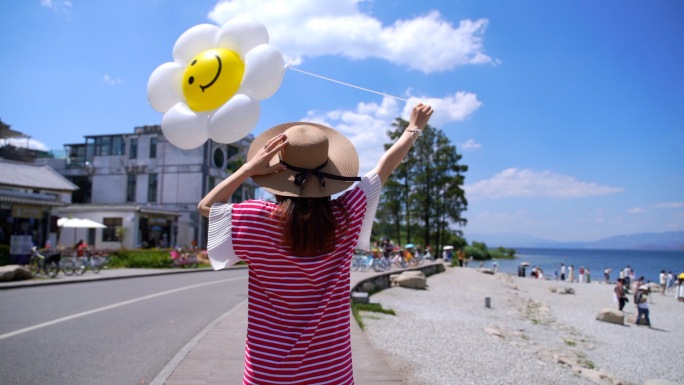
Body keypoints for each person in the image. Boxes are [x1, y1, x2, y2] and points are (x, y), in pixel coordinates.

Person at [197, 103, 433, 384]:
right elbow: (384, 169)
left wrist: (249, 168)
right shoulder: (346, 215)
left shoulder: (255, 218)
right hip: (331, 370)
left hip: (267, 371)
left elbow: (206, 206)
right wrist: (413, 128)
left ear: (277, 177)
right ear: (329, 174)